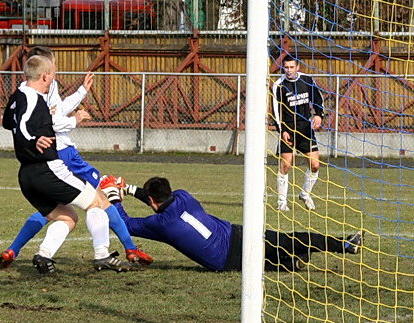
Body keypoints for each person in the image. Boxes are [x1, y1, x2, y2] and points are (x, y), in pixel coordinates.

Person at [0, 46, 153, 269]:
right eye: (53, 70)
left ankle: (43, 254)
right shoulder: (35, 98)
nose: (54, 76)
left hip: (27, 173)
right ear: (45, 73)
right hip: (51, 164)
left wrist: (43, 127)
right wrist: (43, 135)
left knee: (67, 217)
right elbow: (25, 125)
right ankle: (104, 254)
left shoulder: (17, 96)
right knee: (99, 201)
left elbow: (9, 123)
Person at [100, 175, 362, 273]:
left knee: (269, 262)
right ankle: (342, 245)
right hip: (238, 234)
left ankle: (296, 259)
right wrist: (131, 188)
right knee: (291, 240)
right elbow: (158, 201)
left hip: (226, 261)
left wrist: (114, 196)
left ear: (151, 202)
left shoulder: (161, 224)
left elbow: (126, 224)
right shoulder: (183, 195)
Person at [270, 53, 325, 211]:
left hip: (306, 128)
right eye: (286, 67)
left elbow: (317, 99)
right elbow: (276, 110)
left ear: (298, 67)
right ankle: (282, 202)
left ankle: (305, 194)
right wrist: (283, 130)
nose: (289, 70)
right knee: (286, 165)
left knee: (315, 165)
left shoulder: (307, 80)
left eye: (292, 67)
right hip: (288, 128)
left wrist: (319, 115)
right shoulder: (279, 85)